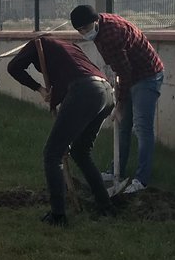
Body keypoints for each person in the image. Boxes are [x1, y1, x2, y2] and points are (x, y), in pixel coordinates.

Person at [7, 34, 116, 226]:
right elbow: (72, 78)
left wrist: (39, 89)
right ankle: (106, 207)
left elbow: (13, 67)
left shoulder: (38, 43)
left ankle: (58, 216)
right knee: (81, 152)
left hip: (85, 91)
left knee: (52, 153)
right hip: (106, 92)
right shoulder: (70, 47)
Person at [69, 5, 165, 194]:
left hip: (147, 76)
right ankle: (116, 171)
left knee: (142, 127)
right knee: (123, 126)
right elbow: (119, 68)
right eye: (80, 31)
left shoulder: (111, 35)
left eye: (86, 29)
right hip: (130, 74)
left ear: (95, 22)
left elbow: (125, 72)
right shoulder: (99, 27)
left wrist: (119, 103)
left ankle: (141, 180)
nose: (83, 33)